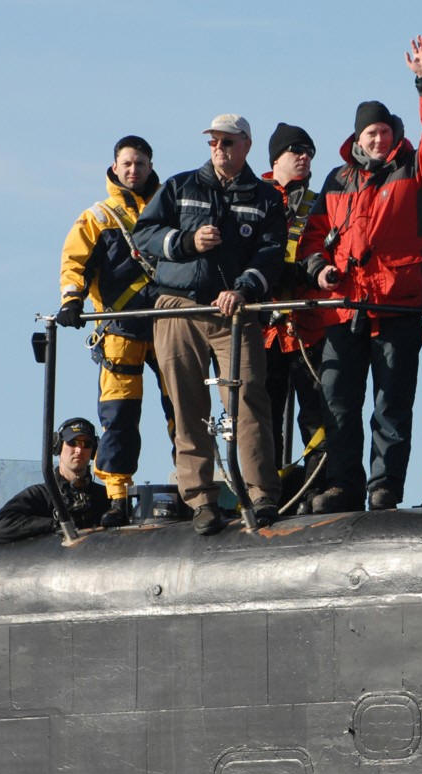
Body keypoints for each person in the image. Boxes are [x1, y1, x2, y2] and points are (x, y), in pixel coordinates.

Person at [300, 35, 422, 513]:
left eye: (385, 131)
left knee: (391, 408)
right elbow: (313, 235)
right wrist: (320, 269)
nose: (378, 138)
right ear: (357, 138)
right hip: (343, 310)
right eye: (370, 133)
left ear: (394, 134)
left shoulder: (416, 172)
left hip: (396, 308)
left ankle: (384, 488)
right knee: (340, 408)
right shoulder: (335, 181)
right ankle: (344, 487)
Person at [132, 114, 286, 535]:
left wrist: (243, 290)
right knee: (187, 406)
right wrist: (186, 243)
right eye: (214, 142)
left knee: (248, 402)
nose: (219, 148)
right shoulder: (180, 187)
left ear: (246, 146)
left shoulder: (266, 198)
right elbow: (143, 235)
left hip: (235, 314)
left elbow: (271, 254)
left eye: (228, 142)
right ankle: (201, 500)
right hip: (177, 308)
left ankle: (261, 495)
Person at [55, 135, 175, 528]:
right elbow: (74, 261)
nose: (133, 170)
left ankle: (193, 487)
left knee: (184, 411)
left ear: (150, 164)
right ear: (115, 166)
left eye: (140, 163)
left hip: (166, 326)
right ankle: (116, 497)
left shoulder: (169, 210)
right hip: (120, 329)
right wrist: (71, 301)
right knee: (120, 416)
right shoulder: (98, 217)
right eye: (127, 163)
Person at [261, 123, 328, 469]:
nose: (304, 157)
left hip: (308, 325)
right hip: (264, 329)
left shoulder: (321, 205)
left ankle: (318, 483)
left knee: (316, 411)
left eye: (309, 152)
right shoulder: (254, 200)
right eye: (296, 151)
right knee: (263, 414)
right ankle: (266, 486)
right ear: (276, 159)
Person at [0, 418, 111, 543]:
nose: (79, 450)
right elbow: (2, 526)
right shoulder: (40, 495)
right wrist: (55, 524)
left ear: (93, 451)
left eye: (86, 444)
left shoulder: (106, 497)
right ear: (58, 446)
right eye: (72, 443)